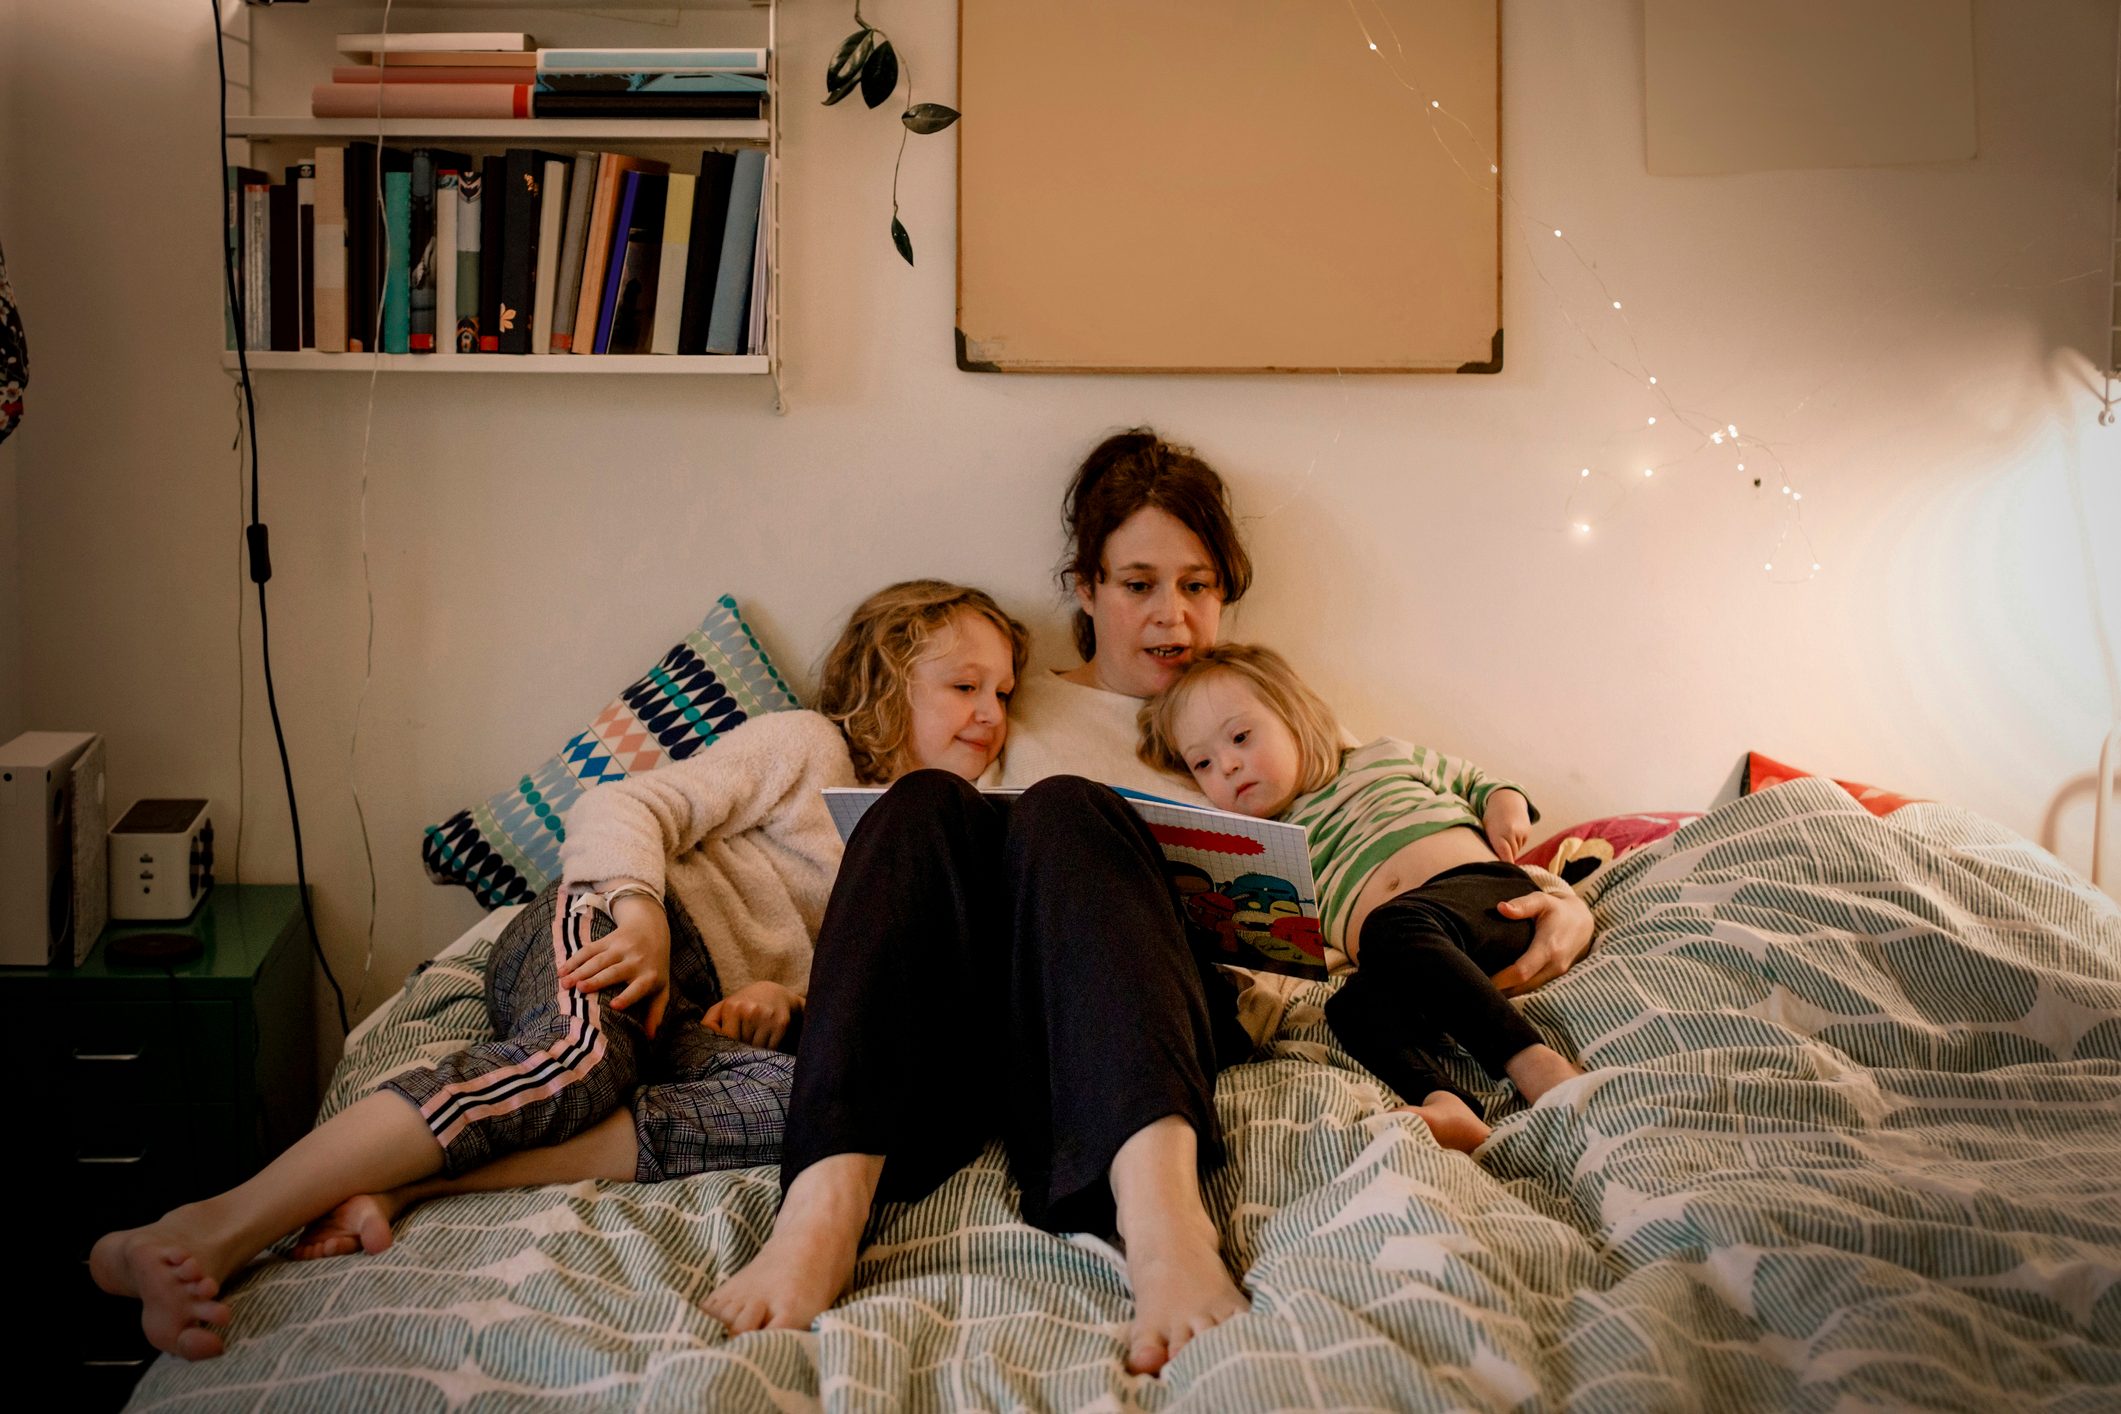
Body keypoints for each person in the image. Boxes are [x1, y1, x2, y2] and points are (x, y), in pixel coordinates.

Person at [705, 429, 1598, 1375]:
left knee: (1070, 811)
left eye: (1198, 584)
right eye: (1137, 584)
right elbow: (912, 894)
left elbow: (1392, 819)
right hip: (995, 1023)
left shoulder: (1246, 709)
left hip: (1158, 1013)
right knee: (927, 804)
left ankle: (1164, 1221)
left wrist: (1548, 891)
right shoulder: (1003, 707)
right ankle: (821, 1211)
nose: (1172, 615)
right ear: (1085, 589)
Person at [89, 580, 1028, 1361]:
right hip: (609, 927)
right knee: (581, 1058)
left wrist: (781, 1003)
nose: (990, 714)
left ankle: (406, 1183)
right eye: (963, 686)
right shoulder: (805, 745)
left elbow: (860, 1000)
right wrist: (640, 913)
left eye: (1004, 694)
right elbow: (628, 802)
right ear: (886, 676)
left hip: (694, 1018)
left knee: (816, 1113)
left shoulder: (935, 852)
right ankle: (207, 1227)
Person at [1139, 642, 1586, 1153]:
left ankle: (1533, 1062)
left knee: (1392, 927)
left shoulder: (1382, 756)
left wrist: (1505, 804)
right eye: (1203, 763)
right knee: (1350, 1009)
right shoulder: (1265, 853)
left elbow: (1477, 781)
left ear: (1295, 717)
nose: (1229, 766)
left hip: (1484, 903)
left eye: (1240, 737)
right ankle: (1449, 1103)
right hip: (1408, 964)